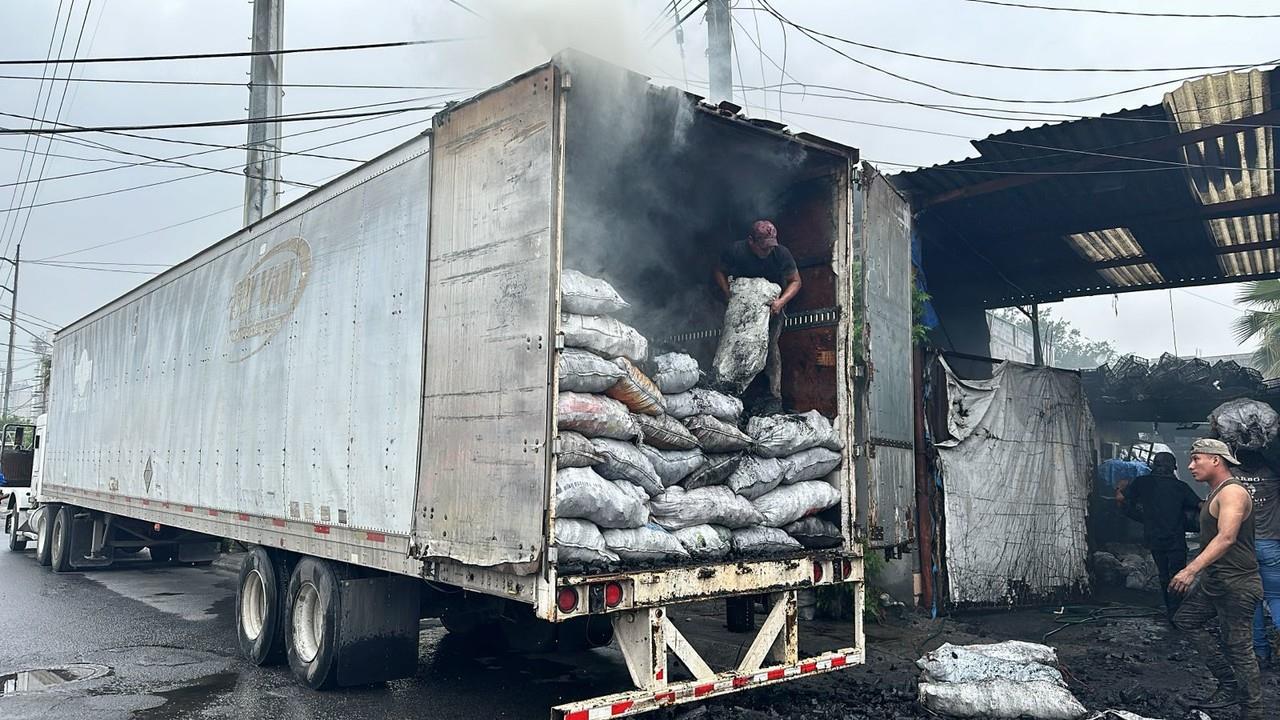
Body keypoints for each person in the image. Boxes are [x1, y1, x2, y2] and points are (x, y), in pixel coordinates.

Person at [1170, 438, 1263, 718]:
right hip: (1217, 583)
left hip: (1238, 585)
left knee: (1240, 649)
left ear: (1215, 460)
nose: (1190, 465)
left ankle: (1253, 711)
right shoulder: (1215, 492)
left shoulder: (1232, 492)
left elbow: (1227, 537)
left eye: (1196, 458)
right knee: (1185, 620)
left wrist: (1190, 569)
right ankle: (1228, 683)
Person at [713, 220, 802, 406]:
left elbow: (796, 281)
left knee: (769, 347)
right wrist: (728, 295)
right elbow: (719, 272)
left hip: (770, 308)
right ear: (751, 241)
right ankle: (727, 388)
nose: (767, 251)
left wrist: (780, 303)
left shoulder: (781, 253)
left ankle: (773, 396)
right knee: (734, 343)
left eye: (770, 247)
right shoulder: (736, 251)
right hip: (742, 307)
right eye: (763, 248)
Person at [1119, 452, 1202, 616]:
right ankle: (1176, 609)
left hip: (1153, 536)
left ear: (1153, 465)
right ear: (1173, 467)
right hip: (1176, 539)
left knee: (1163, 574)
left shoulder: (1142, 483)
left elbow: (1122, 499)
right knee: (1178, 575)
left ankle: (1169, 607)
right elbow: (1200, 505)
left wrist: (1121, 489)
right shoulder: (1180, 487)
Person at [1233, 448, 1280, 667]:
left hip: (1243, 546)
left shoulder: (1231, 476)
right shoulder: (1273, 475)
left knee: (1253, 602)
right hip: (1270, 544)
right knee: (1276, 598)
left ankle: (1261, 653)